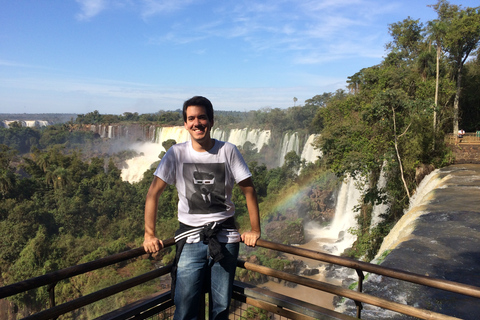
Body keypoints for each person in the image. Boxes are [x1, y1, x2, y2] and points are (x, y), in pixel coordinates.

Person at [143, 96, 261, 320]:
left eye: (202, 117)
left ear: (211, 120)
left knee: (221, 307)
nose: (197, 123)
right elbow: (153, 194)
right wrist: (149, 234)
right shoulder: (176, 153)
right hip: (190, 239)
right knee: (185, 307)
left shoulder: (228, 151)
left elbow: (249, 190)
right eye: (191, 119)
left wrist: (255, 230)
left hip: (225, 238)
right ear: (185, 124)